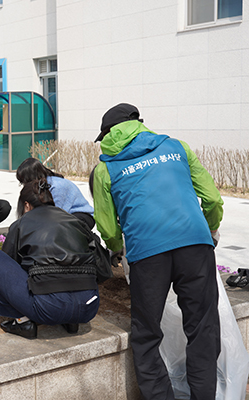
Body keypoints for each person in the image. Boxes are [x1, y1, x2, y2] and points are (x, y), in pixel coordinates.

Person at [92, 103, 223, 400]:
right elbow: (213, 199)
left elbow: (107, 226)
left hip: (147, 253)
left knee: (147, 333)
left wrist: (117, 249)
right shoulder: (178, 148)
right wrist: (211, 229)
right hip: (195, 245)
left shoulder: (105, 169)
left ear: (108, 134)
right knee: (202, 328)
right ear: (140, 123)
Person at [0, 179, 100, 339]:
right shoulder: (75, 221)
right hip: (89, 306)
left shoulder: (21, 224)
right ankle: (70, 321)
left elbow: (10, 265)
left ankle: (22, 321)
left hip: (49, 309)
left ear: (27, 205)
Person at [16, 157, 95, 229]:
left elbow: (55, 215)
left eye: (25, 182)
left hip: (82, 216)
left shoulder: (56, 186)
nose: (24, 185)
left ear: (32, 177)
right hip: (66, 217)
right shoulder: (42, 186)